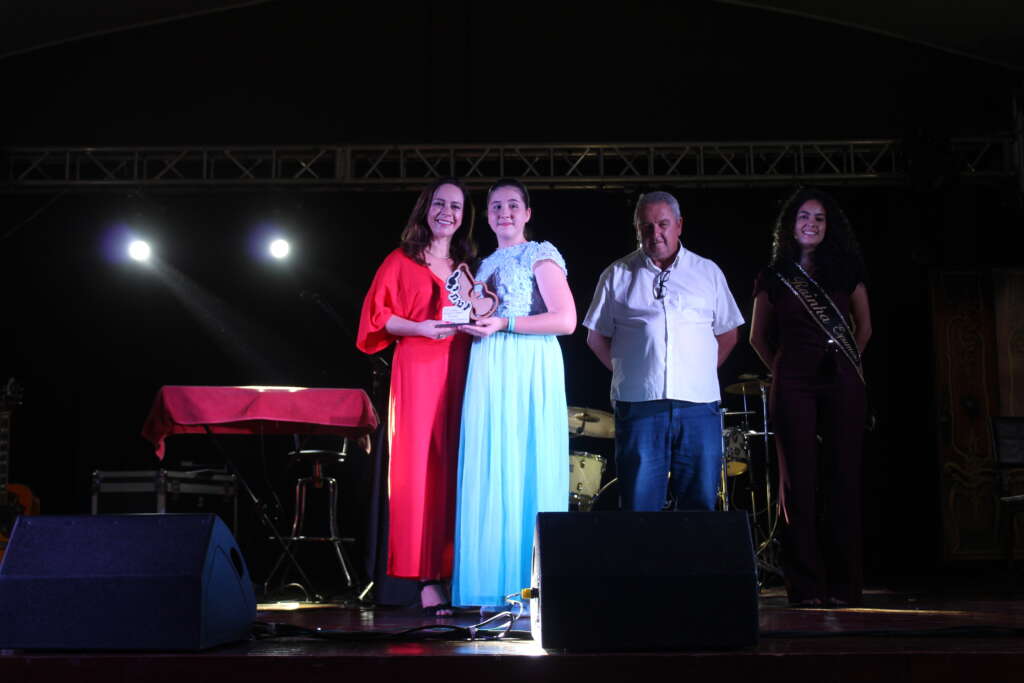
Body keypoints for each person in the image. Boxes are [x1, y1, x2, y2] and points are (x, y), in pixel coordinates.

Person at [451, 178, 575, 610]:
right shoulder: (482, 265)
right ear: (487, 216)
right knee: (492, 461)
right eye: (496, 207)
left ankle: (531, 584)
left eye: (512, 205)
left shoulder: (538, 252)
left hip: (527, 362)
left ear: (527, 213)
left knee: (524, 462)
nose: (504, 212)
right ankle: (490, 585)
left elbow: (565, 319)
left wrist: (505, 323)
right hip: (488, 364)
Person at [356, 178, 476, 614]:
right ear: (426, 208)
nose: (447, 212)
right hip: (419, 367)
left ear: (464, 216)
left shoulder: (468, 266)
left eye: (456, 206)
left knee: (459, 466)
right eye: (440, 203)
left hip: (464, 367)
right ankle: (424, 576)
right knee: (420, 468)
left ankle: (460, 570)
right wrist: (420, 327)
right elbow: (377, 317)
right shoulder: (401, 260)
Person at [748, 187, 871, 608]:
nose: (811, 224)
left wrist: (847, 365)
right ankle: (805, 588)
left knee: (843, 480)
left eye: (819, 218)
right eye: (804, 216)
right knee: (796, 484)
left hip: (841, 381)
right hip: (793, 383)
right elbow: (757, 337)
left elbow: (865, 328)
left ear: (829, 226)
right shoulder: (774, 275)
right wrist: (783, 370)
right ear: (790, 224)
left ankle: (844, 587)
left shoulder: (846, 270)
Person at [583, 191, 743, 512]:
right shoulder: (617, 274)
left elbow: (728, 333)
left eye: (663, 224)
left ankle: (694, 551)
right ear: (637, 229)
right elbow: (596, 338)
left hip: (698, 407)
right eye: (646, 226)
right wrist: (630, 372)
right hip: (640, 408)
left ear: (679, 225)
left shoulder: (707, 271)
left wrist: (698, 372)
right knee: (640, 507)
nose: (655, 233)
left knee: (700, 506)